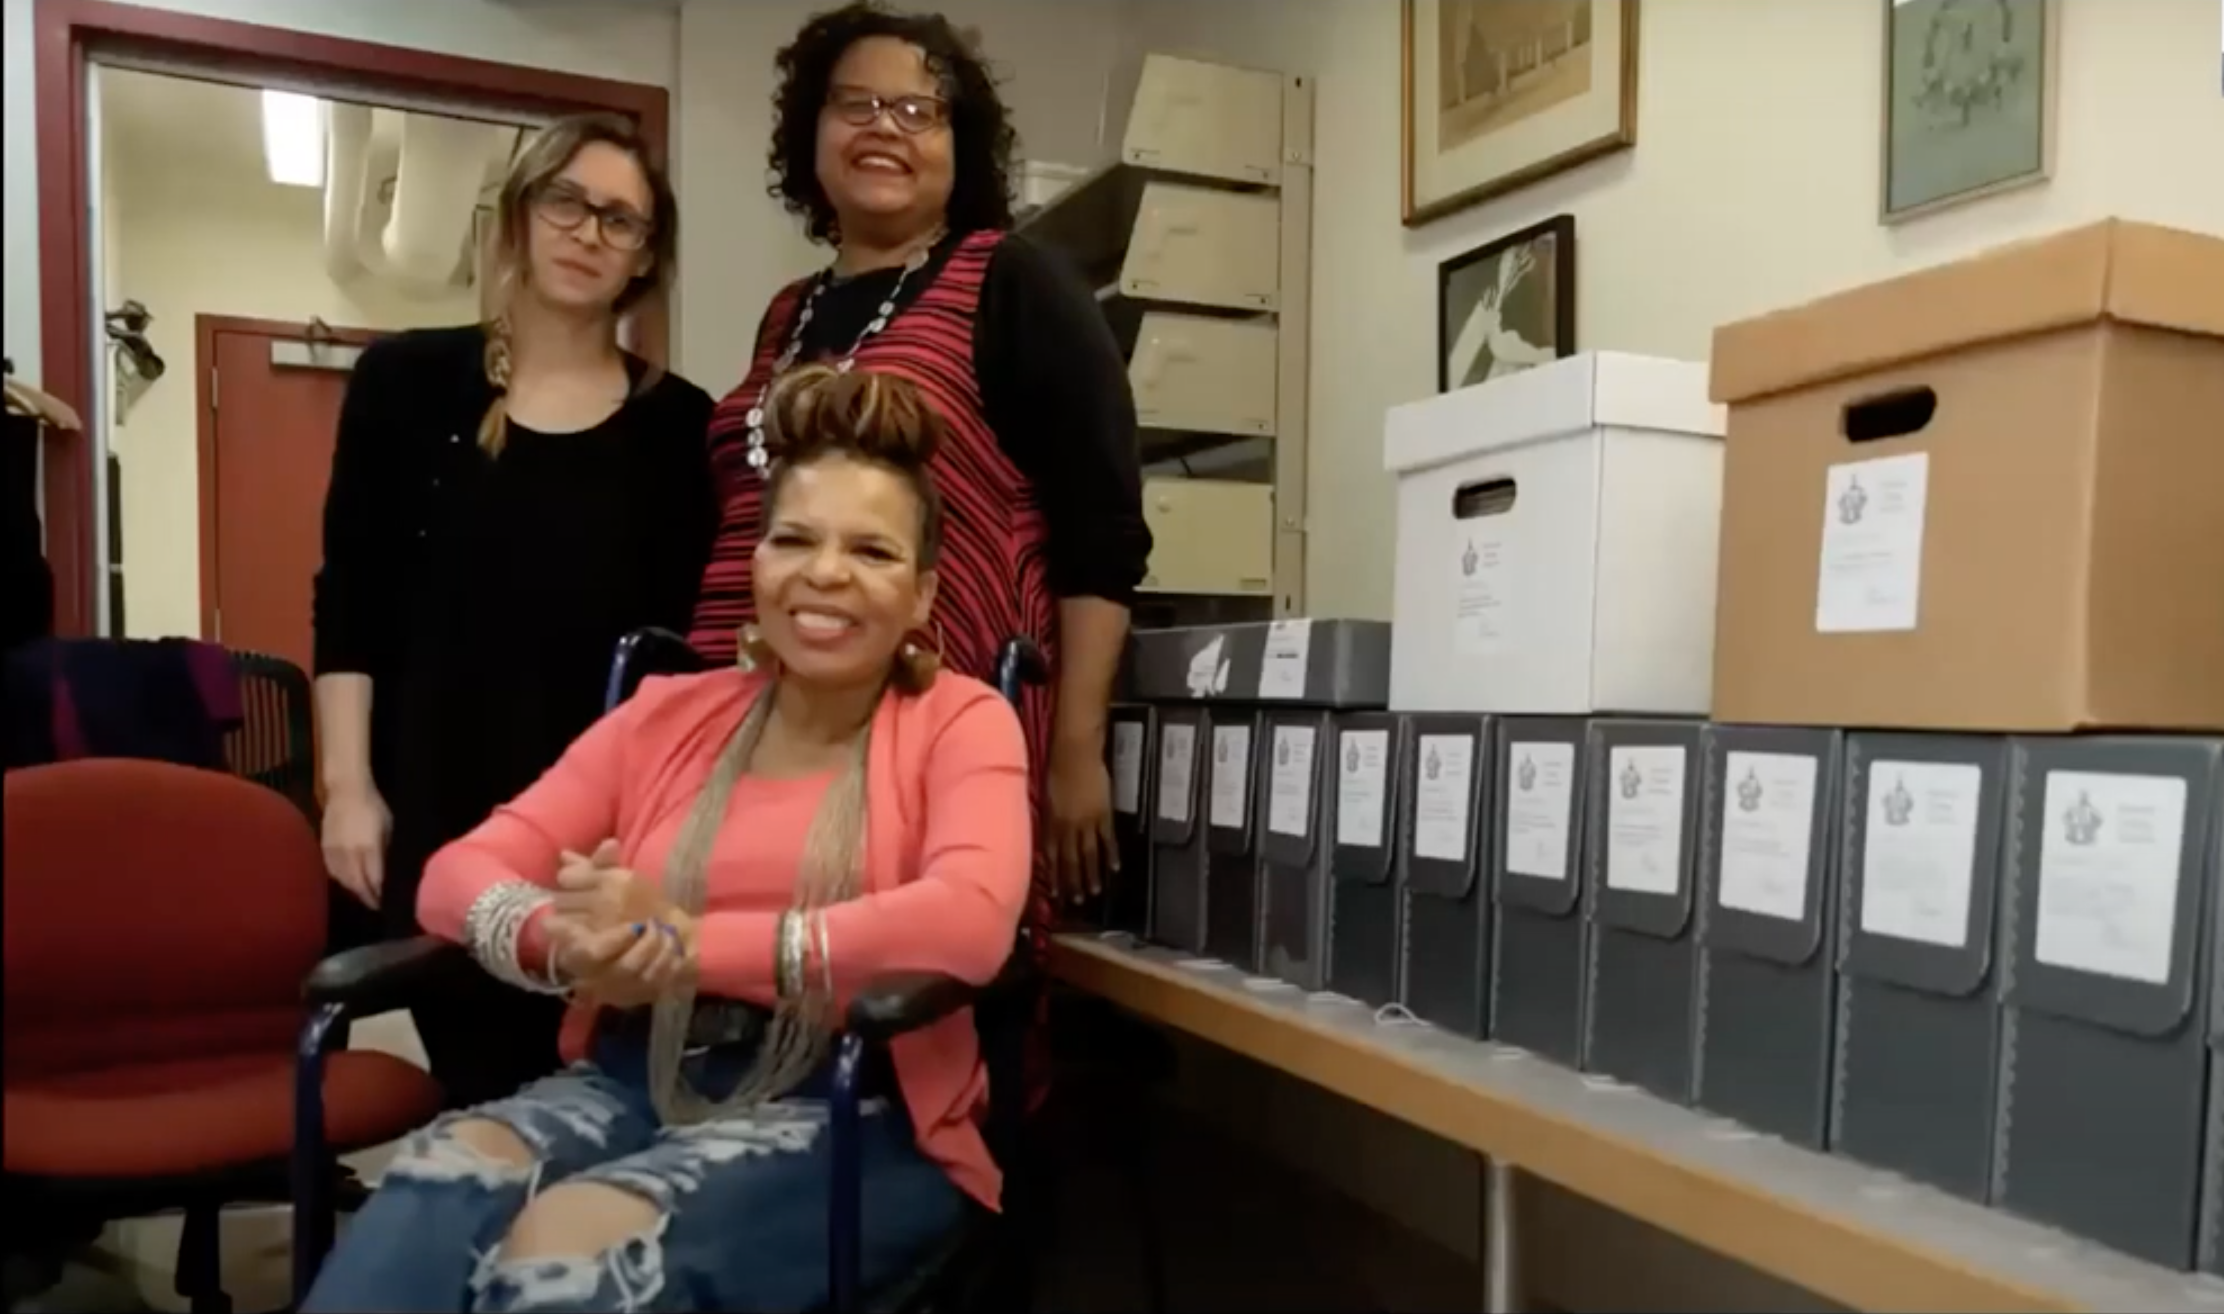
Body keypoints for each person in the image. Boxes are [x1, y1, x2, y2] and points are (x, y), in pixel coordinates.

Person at [302, 365, 1031, 1314]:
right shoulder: (667, 715)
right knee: (436, 1182)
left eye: (873, 551)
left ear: (925, 593)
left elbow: (968, 924)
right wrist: (562, 938)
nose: (824, 573)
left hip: (858, 1106)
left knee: (564, 1253)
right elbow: (454, 874)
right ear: (756, 562)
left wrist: (684, 948)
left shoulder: (960, 721)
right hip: (635, 1072)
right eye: (794, 538)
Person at [689, 2, 1151, 923]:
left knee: (886, 990)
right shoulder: (787, 313)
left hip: (928, 719)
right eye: (855, 104)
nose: (882, 128)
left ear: (959, 145)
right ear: (809, 132)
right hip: (740, 709)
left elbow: (1103, 533)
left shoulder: (1014, 280)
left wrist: (1073, 749)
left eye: (918, 111)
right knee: (724, 978)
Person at [314, 113, 717, 1109]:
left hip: (607, 820)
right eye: (567, 203)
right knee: (479, 1082)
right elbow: (350, 594)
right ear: (519, 219)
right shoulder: (404, 384)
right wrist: (346, 786)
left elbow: (685, 656)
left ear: (644, 258)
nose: (588, 232)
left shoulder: (681, 426)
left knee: (591, 1088)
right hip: (440, 794)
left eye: (620, 220)